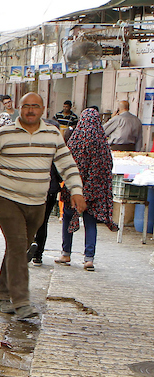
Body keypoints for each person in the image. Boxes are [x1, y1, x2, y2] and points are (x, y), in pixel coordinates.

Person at [0, 93, 85, 320]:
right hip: (6, 199)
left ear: (43, 109)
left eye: (35, 106)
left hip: (37, 203)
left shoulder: (52, 135)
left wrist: (76, 190)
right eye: (26, 106)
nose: (30, 110)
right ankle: (21, 303)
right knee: (19, 247)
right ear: (19, 108)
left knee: (17, 249)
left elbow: (67, 164)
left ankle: (2, 296)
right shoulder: (4, 134)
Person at [55, 108, 118, 270]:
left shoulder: (75, 140)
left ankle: (66, 253)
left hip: (74, 189)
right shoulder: (102, 142)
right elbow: (108, 166)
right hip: (94, 191)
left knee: (68, 217)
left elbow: (66, 164)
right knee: (90, 222)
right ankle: (89, 258)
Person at [27, 164, 62, 267]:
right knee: (43, 221)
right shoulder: (52, 155)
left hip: (33, 189)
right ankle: (38, 256)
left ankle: (28, 245)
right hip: (50, 189)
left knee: (28, 219)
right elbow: (61, 175)